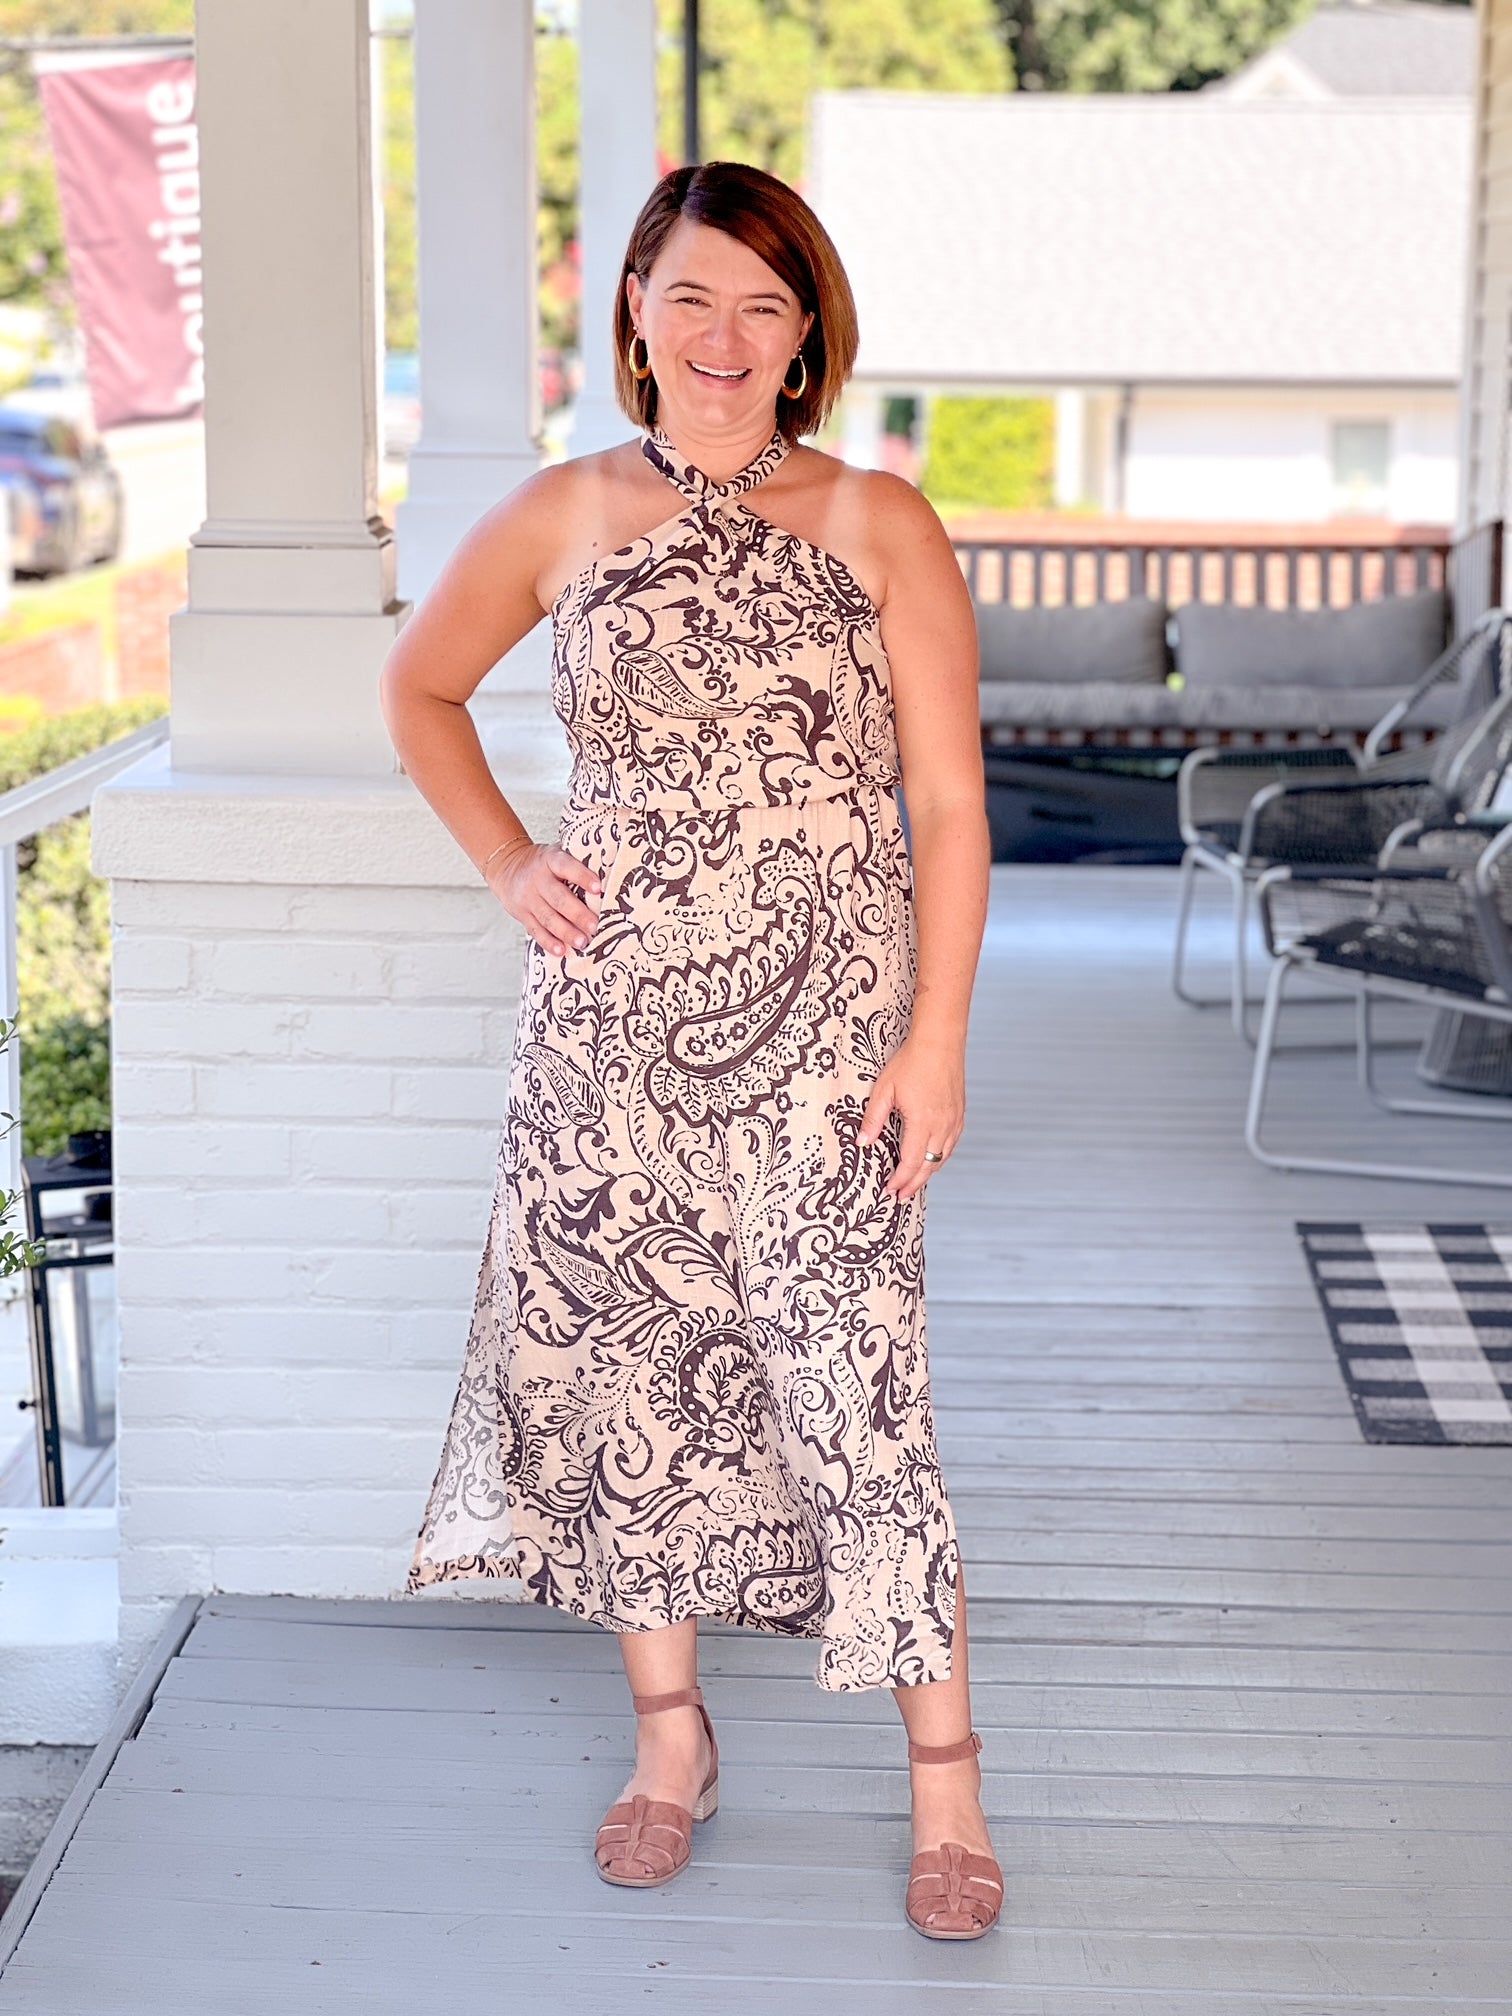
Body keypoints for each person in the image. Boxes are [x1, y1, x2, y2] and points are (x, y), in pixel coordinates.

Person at [380, 160, 996, 1941]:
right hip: (609, 1042)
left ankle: (945, 1784)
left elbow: (950, 806)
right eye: (696, 296)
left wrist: (936, 1039)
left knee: (858, 1392)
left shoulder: (881, 521)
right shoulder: (560, 514)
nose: (728, 338)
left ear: (807, 335)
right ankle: (671, 1747)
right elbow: (418, 689)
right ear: (637, 305)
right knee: (628, 1378)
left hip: (828, 1041)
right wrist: (509, 857)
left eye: (768, 304)